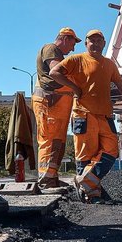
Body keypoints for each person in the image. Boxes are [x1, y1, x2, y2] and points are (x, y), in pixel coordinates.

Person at [49, 29, 122, 203]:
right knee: (86, 155)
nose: (96, 43)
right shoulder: (77, 60)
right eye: (92, 40)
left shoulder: (109, 64)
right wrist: (74, 88)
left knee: (111, 151)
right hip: (84, 114)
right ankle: (92, 195)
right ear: (86, 43)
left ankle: (84, 181)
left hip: (105, 115)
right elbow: (54, 72)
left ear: (104, 43)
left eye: (99, 41)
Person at [32, 27, 81, 190]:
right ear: (65, 38)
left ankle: (52, 177)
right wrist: (76, 87)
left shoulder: (58, 54)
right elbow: (56, 71)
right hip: (49, 102)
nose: (73, 49)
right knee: (49, 140)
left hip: (56, 103)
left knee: (57, 142)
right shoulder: (51, 49)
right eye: (73, 44)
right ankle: (45, 180)